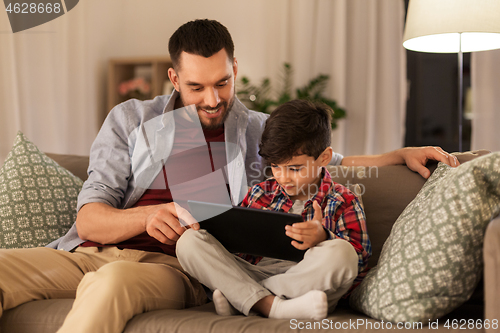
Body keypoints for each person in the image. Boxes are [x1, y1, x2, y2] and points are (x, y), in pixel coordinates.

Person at [0, 19, 459, 333]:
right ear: (174, 78)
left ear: (235, 70)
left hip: (172, 267)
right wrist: (146, 217)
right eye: (197, 87)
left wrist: (398, 154)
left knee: (113, 282)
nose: (213, 99)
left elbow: (326, 162)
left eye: (222, 82)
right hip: (88, 253)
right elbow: (91, 222)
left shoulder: (258, 130)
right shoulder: (130, 121)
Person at [176, 99, 371, 320]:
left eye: (294, 168)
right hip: (254, 273)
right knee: (188, 242)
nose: (283, 177)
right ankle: (271, 306)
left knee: (342, 253)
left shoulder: (344, 200)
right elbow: (235, 250)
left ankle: (246, 300)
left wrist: (324, 237)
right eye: (275, 166)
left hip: (306, 278)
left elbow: (359, 262)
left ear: (324, 158)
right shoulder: (260, 192)